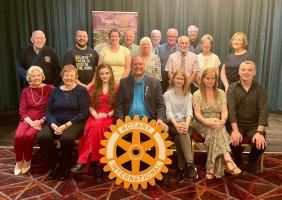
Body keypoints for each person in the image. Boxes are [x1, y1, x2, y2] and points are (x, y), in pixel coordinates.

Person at [36, 65, 89, 181]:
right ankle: (55, 164)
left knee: (67, 138)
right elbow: (48, 112)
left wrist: (65, 125)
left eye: (71, 75)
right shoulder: (55, 90)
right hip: (56, 120)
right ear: (62, 76)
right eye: (66, 75)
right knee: (42, 137)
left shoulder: (82, 90)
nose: (69, 78)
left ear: (76, 77)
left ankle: (65, 167)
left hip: (75, 121)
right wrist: (54, 124)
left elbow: (84, 113)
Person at [71, 64, 118, 183]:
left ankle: (83, 161)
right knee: (95, 126)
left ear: (111, 74)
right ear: (98, 75)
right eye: (102, 73)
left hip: (109, 117)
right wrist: (95, 114)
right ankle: (99, 166)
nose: (104, 76)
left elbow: (118, 107)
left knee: (97, 126)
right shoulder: (93, 87)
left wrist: (106, 115)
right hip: (95, 116)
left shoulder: (116, 87)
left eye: (107, 73)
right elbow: (90, 106)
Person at [193, 68, 241, 179]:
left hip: (218, 122)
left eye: (213, 78)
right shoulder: (197, 94)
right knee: (217, 131)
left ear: (216, 80)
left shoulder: (221, 93)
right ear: (203, 79)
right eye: (207, 78)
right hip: (202, 123)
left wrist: (223, 121)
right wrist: (206, 121)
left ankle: (211, 168)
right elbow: (197, 114)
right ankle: (228, 159)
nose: (210, 81)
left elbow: (224, 111)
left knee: (217, 130)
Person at [227, 61, 268, 174]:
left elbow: (263, 111)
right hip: (237, 124)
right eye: (243, 69)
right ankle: (238, 161)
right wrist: (235, 131)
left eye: (249, 70)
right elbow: (231, 111)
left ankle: (252, 161)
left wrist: (259, 132)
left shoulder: (261, 89)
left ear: (254, 72)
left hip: (254, 125)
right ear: (239, 72)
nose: (246, 72)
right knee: (232, 141)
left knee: (260, 144)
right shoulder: (232, 88)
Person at [13, 66, 54, 175]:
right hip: (27, 119)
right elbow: (22, 110)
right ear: (29, 78)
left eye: (38, 75)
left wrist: (40, 121)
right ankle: (18, 161)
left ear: (42, 76)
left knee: (28, 136)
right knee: (18, 136)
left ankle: (27, 160)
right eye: (33, 76)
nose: (36, 77)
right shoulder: (26, 91)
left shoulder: (50, 88)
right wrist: (31, 123)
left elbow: (52, 108)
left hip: (43, 119)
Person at [164, 69, 198, 183]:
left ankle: (181, 167)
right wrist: (177, 125)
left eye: (182, 79)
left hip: (186, 123)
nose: (179, 81)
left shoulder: (188, 94)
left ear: (185, 81)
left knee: (181, 136)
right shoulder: (167, 94)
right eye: (177, 78)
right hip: (173, 124)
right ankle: (190, 164)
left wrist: (186, 125)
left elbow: (189, 112)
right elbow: (169, 112)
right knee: (181, 133)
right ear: (173, 79)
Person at [158, 28, 179, 92]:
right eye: (169, 36)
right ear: (167, 37)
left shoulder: (180, 48)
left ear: (177, 37)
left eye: (173, 36)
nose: (171, 38)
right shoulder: (160, 48)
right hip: (163, 82)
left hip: (177, 81)